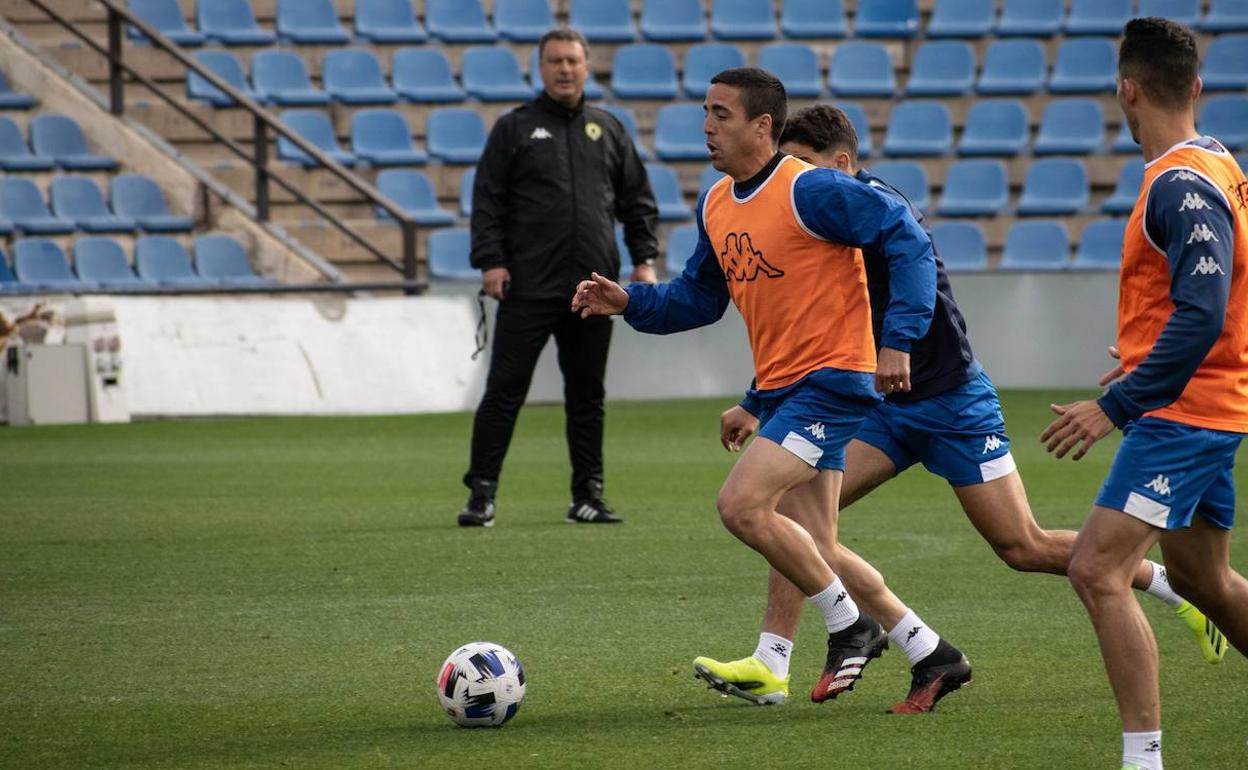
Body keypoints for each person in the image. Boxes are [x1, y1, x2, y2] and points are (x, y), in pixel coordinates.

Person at [691, 106, 1227, 715]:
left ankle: (1165, 585)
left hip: (950, 402)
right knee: (794, 520)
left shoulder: (867, 212)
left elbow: (897, 289)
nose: (792, 178)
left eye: (803, 165)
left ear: (840, 163)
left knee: (1021, 546)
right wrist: (758, 397)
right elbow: (808, 335)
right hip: (881, 407)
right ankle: (784, 660)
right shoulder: (803, 219)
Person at [573, 67, 938, 704]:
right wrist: (629, 299)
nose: (707, 127)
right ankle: (917, 652)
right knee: (814, 542)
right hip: (784, 388)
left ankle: (851, 626)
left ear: (762, 126)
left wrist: (899, 337)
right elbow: (697, 298)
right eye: (706, 114)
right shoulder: (716, 202)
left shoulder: (812, 190)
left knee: (742, 506)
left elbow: (906, 236)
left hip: (834, 380)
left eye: (721, 114)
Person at [1041, 18, 1248, 770]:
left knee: (1096, 569)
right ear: (1194, 87)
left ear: (1126, 89)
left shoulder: (1180, 185)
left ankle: (1144, 759)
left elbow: (1204, 309)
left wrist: (1120, 403)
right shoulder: (1218, 162)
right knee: (1203, 580)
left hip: (1183, 416)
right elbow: (1199, 305)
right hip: (1201, 402)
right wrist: (1139, 356)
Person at [459, 27, 659, 527]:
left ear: (587, 66)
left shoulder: (608, 129)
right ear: (541, 67)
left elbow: (637, 203)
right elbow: (487, 201)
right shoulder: (514, 128)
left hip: (593, 290)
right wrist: (491, 261)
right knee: (505, 390)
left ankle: (587, 495)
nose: (565, 69)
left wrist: (645, 259)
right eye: (555, 61)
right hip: (527, 286)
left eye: (572, 60)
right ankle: (481, 493)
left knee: (587, 395)